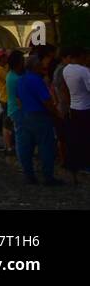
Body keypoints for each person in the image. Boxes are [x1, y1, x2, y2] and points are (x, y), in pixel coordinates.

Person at [15, 46, 63, 186]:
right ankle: (48, 176)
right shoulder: (37, 80)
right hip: (39, 116)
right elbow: (46, 101)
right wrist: (56, 112)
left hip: (24, 115)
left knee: (25, 147)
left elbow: (18, 100)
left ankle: (29, 175)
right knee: (46, 147)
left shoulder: (21, 79)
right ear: (36, 66)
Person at [62, 45, 89, 184]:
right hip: (86, 107)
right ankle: (85, 163)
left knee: (76, 138)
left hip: (74, 106)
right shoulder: (84, 71)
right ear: (80, 56)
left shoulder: (66, 70)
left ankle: (75, 165)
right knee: (86, 138)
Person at [0, 49, 14, 156]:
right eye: (5, 57)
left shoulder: (3, 67)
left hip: (8, 98)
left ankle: (10, 145)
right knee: (7, 124)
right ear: (1, 58)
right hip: (5, 98)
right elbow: (9, 78)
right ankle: (8, 146)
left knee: (10, 122)